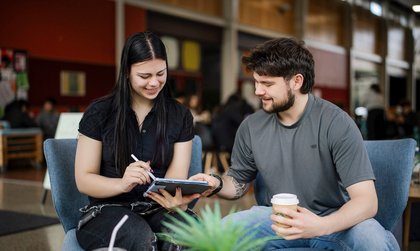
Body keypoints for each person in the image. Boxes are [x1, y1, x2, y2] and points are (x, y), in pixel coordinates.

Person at [191, 37, 398, 250]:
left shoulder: (336, 122)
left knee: (373, 238)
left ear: (297, 81)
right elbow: (238, 183)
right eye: (256, 82)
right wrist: (215, 183)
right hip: (276, 220)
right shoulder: (251, 126)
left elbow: (366, 201)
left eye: (267, 84)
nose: (257, 91)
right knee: (219, 234)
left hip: (333, 220)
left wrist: (321, 225)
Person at [74, 31, 199, 250]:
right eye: (144, 76)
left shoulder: (180, 116)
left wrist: (175, 200)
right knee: (140, 238)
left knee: (189, 234)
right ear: (127, 72)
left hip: (157, 208)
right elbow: (84, 180)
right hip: (106, 210)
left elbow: (175, 178)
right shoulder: (99, 113)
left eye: (161, 73)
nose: (154, 82)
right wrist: (122, 183)